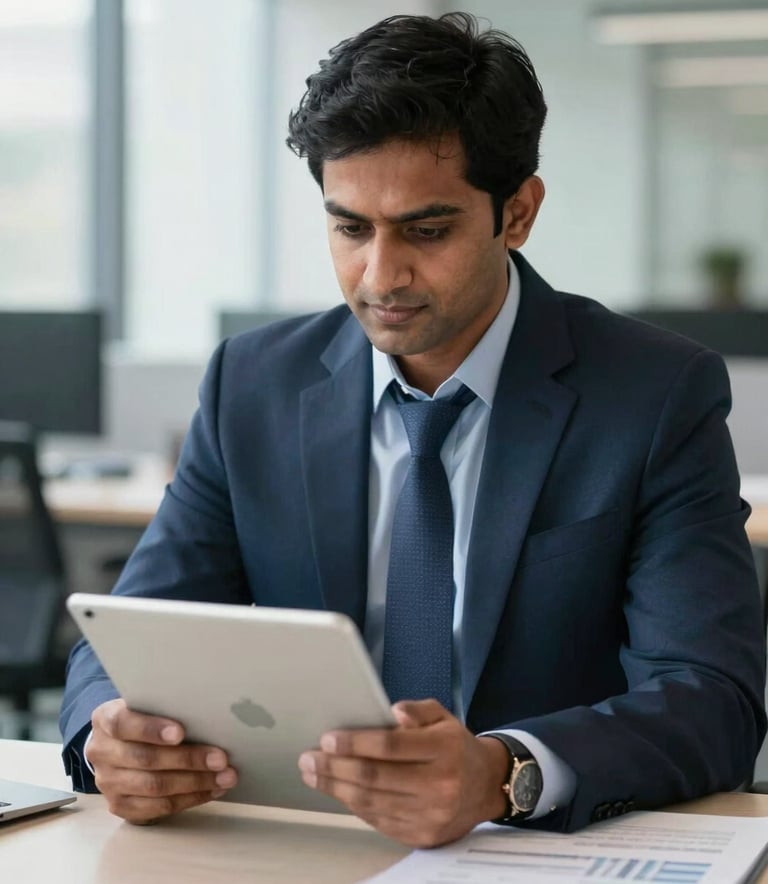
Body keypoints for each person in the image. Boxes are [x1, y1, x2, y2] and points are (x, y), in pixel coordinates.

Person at [60, 12, 766, 848]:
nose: (380, 276)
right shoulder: (252, 384)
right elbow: (128, 630)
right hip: (307, 843)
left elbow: (712, 699)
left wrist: (505, 772)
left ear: (519, 213)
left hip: (535, 849)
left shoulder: (652, 394)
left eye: (426, 232)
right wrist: (108, 731)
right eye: (349, 227)